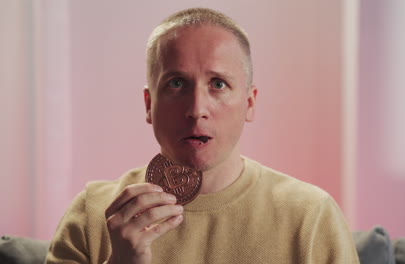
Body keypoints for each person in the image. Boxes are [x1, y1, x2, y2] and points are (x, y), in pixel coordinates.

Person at [45, 8, 359, 264]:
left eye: (218, 84)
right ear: (149, 104)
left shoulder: (310, 217)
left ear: (249, 103)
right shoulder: (94, 214)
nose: (196, 109)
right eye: (177, 84)